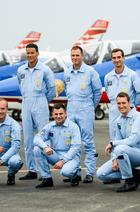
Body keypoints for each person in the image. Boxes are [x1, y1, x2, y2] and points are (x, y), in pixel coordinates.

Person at [96, 92, 140, 192]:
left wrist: (112, 144)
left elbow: (132, 140)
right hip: (124, 153)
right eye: (119, 103)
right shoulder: (118, 121)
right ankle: (135, 174)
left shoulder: (138, 117)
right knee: (101, 174)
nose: (121, 106)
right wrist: (114, 159)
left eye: (124, 103)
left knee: (120, 148)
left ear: (129, 103)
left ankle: (129, 181)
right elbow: (117, 141)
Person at [63, 46, 102, 183]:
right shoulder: (67, 72)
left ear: (82, 56)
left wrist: (90, 106)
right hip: (71, 108)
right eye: (72, 55)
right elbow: (68, 92)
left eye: (77, 55)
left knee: (87, 142)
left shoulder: (90, 72)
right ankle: (75, 172)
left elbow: (98, 92)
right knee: (73, 142)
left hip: (86, 109)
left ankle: (90, 172)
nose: (75, 58)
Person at [17, 43, 56, 180]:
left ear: (37, 53)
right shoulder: (21, 70)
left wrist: (44, 101)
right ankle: (32, 170)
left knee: (43, 137)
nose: (30, 55)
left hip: (40, 102)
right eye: (27, 53)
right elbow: (20, 85)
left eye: (32, 53)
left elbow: (52, 89)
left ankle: (43, 170)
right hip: (26, 102)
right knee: (28, 138)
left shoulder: (45, 70)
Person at [33, 103, 82, 188]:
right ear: (52, 115)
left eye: (61, 114)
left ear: (66, 114)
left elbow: (75, 147)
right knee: (37, 149)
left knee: (66, 172)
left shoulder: (73, 127)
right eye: (56, 114)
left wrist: (63, 161)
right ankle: (47, 178)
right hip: (55, 155)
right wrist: (45, 147)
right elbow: (36, 138)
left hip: (71, 157)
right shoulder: (50, 126)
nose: (58, 116)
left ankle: (75, 175)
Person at [104, 48, 140, 140]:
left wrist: (132, 105)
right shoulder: (108, 77)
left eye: (119, 57)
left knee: (129, 138)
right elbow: (107, 92)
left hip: (128, 112)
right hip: (114, 112)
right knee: (114, 139)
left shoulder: (132, 75)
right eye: (114, 58)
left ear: (123, 58)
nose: (116, 60)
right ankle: (115, 155)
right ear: (112, 60)